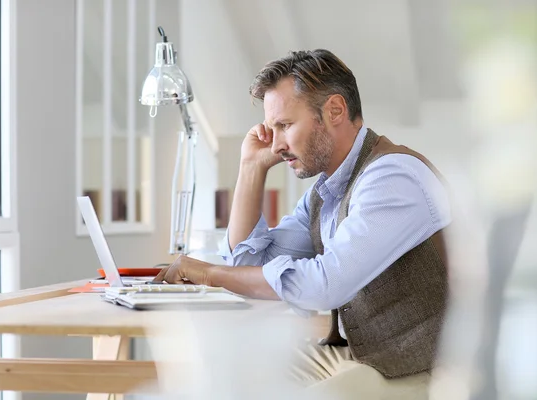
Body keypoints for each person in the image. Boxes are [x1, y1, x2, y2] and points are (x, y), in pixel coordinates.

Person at [154, 49, 452, 398]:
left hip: (427, 368)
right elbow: (248, 265)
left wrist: (209, 273)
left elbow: (327, 283)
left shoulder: (392, 176)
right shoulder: (324, 193)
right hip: (360, 354)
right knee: (222, 373)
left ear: (335, 111)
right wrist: (251, 168)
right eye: (271, 128)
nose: (276, 144)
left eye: (285, 125)